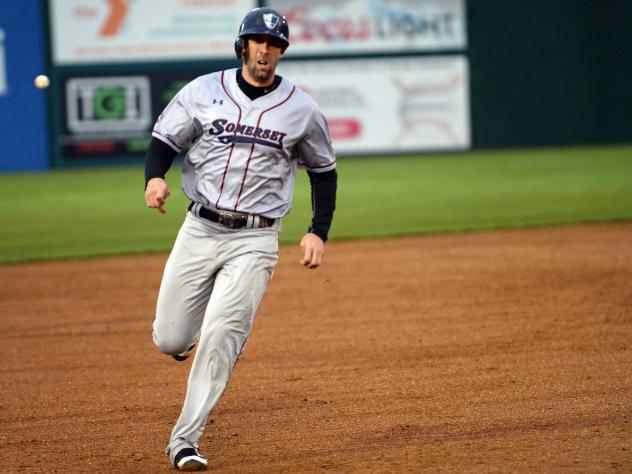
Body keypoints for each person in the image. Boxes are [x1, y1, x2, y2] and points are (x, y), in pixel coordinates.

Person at [143, 7, 337, 471]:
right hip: (200, 227)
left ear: (282, 52)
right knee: (171, 339)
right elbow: (165, 142)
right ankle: (188, 339)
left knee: (221, 336)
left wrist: (317, 231)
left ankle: (184, 441)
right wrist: (154, 178)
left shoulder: (302, 109)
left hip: (256, 238)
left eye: (275, 44)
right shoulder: (203, 91)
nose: (266, 50)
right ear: (242, 46)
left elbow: (324, 172)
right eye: (258, 41)